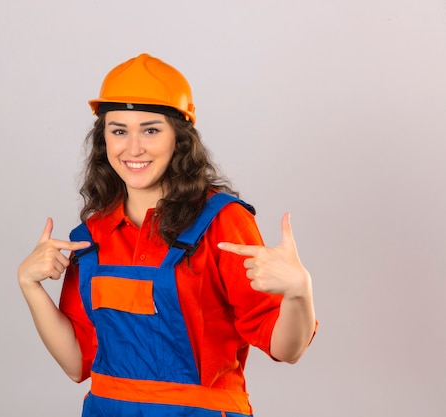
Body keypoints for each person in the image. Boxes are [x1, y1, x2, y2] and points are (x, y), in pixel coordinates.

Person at [18, 53, 317, 417]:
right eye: (118, 131)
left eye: (151, 129)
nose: (133, 147)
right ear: (104, 140)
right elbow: (76, 364)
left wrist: (299, 292)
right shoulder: (93, 236)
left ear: (180, 137)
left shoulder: (223, 223)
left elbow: (286, 349)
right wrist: (30, 286)